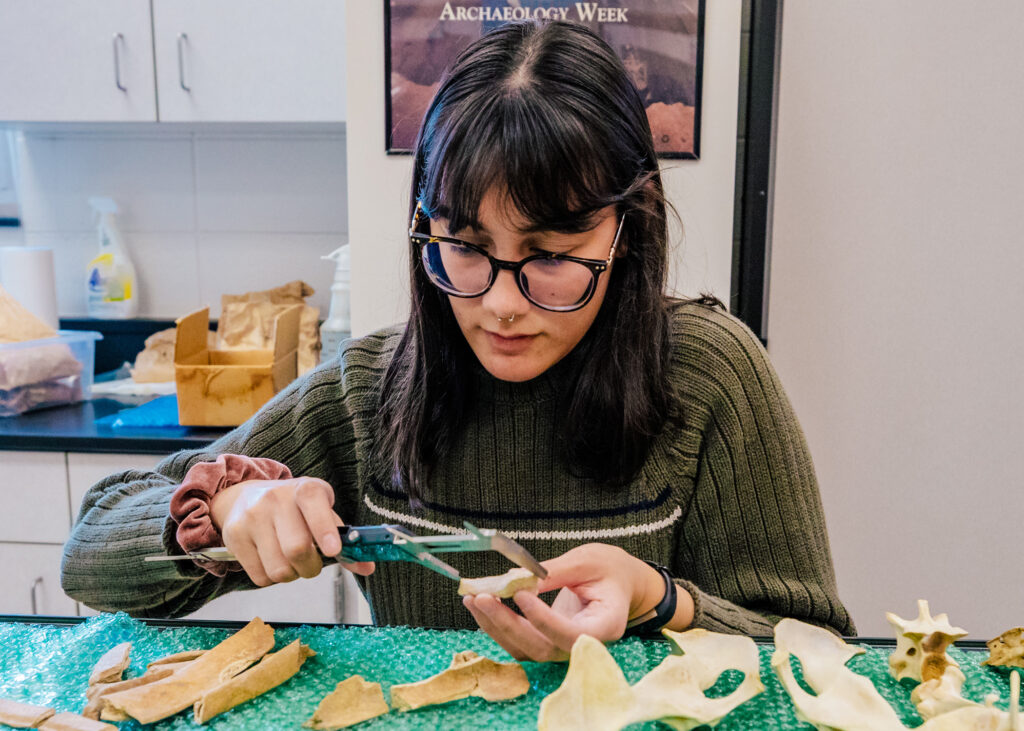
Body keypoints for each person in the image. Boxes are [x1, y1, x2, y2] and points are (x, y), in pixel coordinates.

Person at [61, 20, 855, 662]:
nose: (503, 305)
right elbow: (88, 548)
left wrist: (659, 599)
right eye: (466, 247)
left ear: (628, 227)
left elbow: (820, 648)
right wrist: (224, 508)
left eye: (549, 256)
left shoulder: (710, 373)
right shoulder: (371, 389)